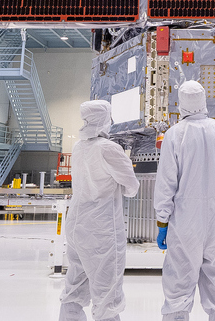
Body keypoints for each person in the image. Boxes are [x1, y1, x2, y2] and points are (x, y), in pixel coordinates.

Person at [154, 80, 215, 321]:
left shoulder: (174, 134)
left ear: (180, 104)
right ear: (204, 101)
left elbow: (166, 184)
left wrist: (162, 222)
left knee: (178, 286)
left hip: (185, 224)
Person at [60, 100, 140, 321]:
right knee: (107, 292)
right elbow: (131, 187)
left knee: (75, 285)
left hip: (76, 224)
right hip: (101, 230)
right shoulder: (108, 148)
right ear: (105, 119)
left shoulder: (78, 147)